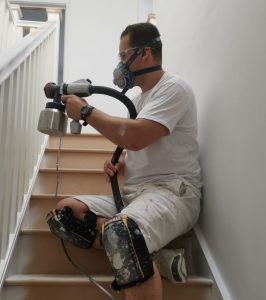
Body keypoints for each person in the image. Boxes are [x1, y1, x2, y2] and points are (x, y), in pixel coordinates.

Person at [47, 23, 202, 300]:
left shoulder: (174, 88)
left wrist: (85, 111)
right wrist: (123, 166)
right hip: (135, 196)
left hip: (172, 193)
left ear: (144, 54)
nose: (120, 65)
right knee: (65, 215)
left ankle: (136, 245)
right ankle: (157, 258)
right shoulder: (139, 100)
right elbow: (143, 144)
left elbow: (137, 136)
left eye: (123, 56)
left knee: (122, 232)